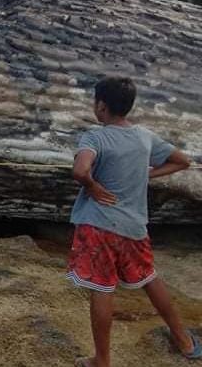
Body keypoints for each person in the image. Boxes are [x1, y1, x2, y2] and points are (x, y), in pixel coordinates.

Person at [68, 76, 200, 367]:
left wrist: (92, 187)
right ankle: (185, 342)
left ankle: (101, 361)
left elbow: (80, 171)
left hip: (99, 225)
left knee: (102, 288)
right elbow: (182, 161)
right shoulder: (144, 136)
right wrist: (146, 174)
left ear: (101, 106)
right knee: (150, 278)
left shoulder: (95, 136)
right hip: (134, 227)